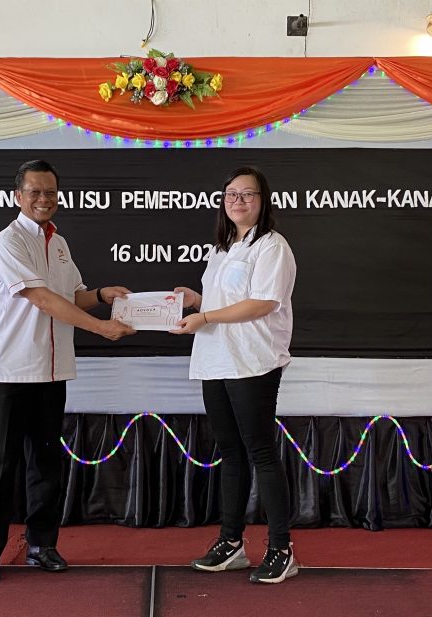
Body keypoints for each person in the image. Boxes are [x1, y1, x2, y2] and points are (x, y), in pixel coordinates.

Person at [0, 159, 135, 583]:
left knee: (46, 464)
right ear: (18, 196)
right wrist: (101, 327)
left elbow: (72, 296)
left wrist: (101, 294)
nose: (43, 199)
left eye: (50, 192)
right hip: (11, 370)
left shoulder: (59, 243)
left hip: (52, 370)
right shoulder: (8, 242)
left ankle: (42, 545)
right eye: (34, 192)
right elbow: (42, 299)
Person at [172, 165, 298, 584]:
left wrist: (205, 315)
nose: (238, 201)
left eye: (247, 194)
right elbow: (226, 299)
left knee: (260, 451)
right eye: (231, 195)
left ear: (263, 201)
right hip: (215, 359)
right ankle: (231, 543)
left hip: (252, 361)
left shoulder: (272, 246)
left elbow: (263, 303)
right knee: (230, 451)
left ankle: (281, 549)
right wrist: (197, 300)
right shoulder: (223, 248)